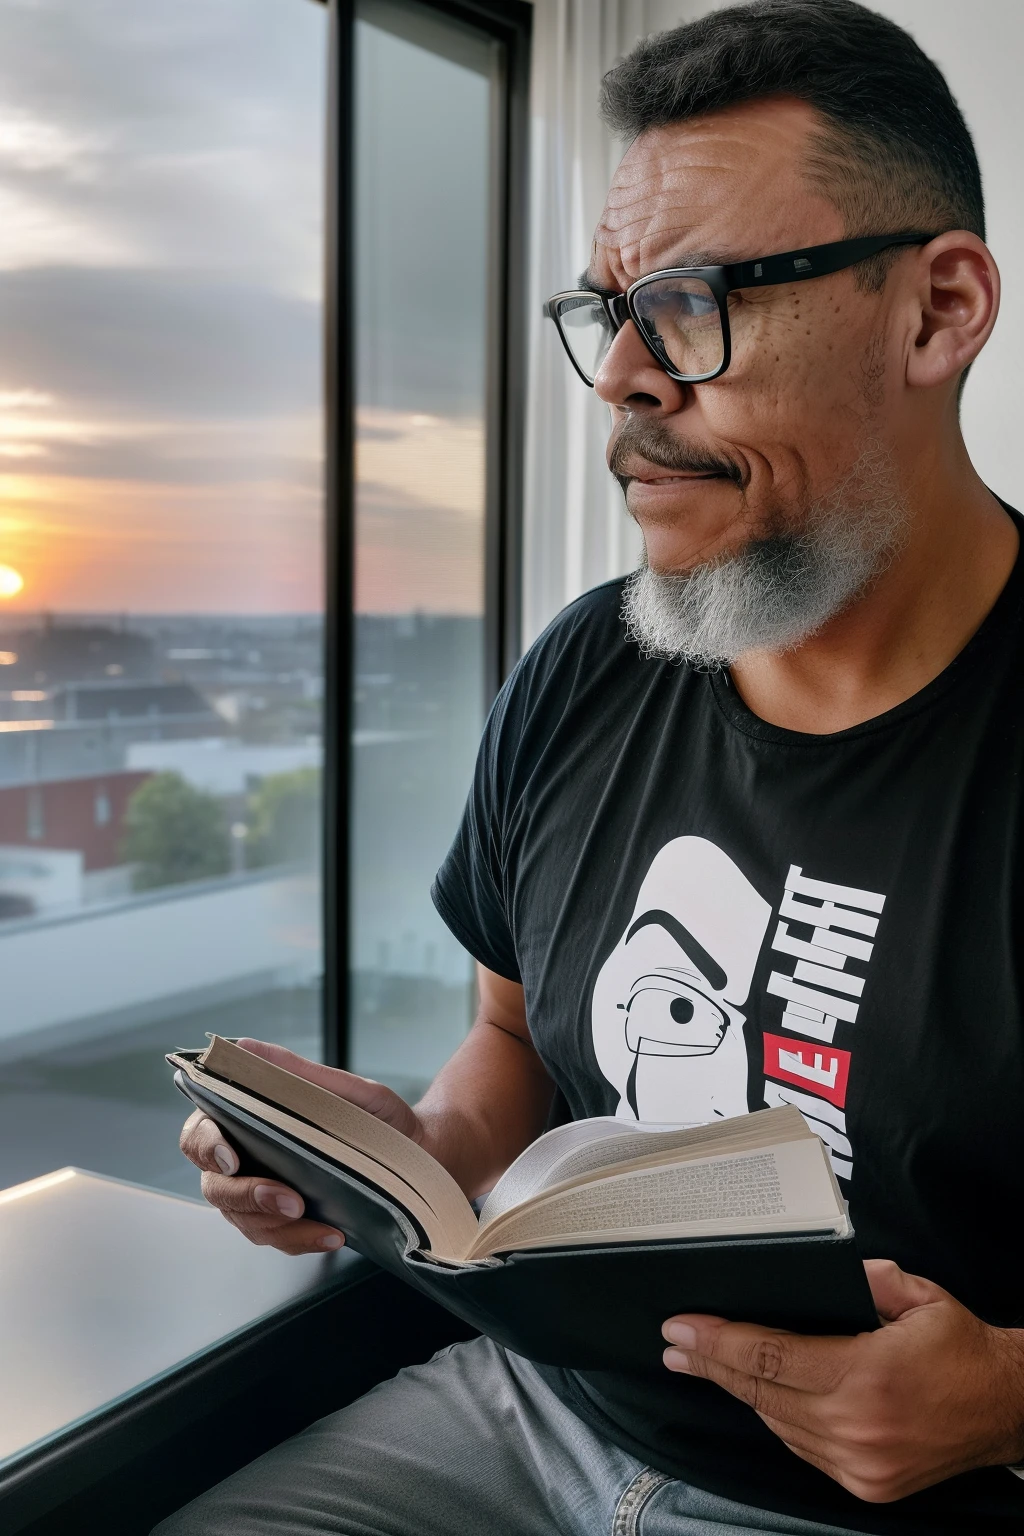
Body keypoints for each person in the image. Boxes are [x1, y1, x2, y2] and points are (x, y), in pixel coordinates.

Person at [156, 1, 1024, 1531]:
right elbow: (517, 1049)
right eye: (607, 309)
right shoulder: (585, 667)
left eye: (690, 302)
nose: (622, 376)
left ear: (938, 310)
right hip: (526, 1408)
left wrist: (1014, 1392)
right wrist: (402, 1163)